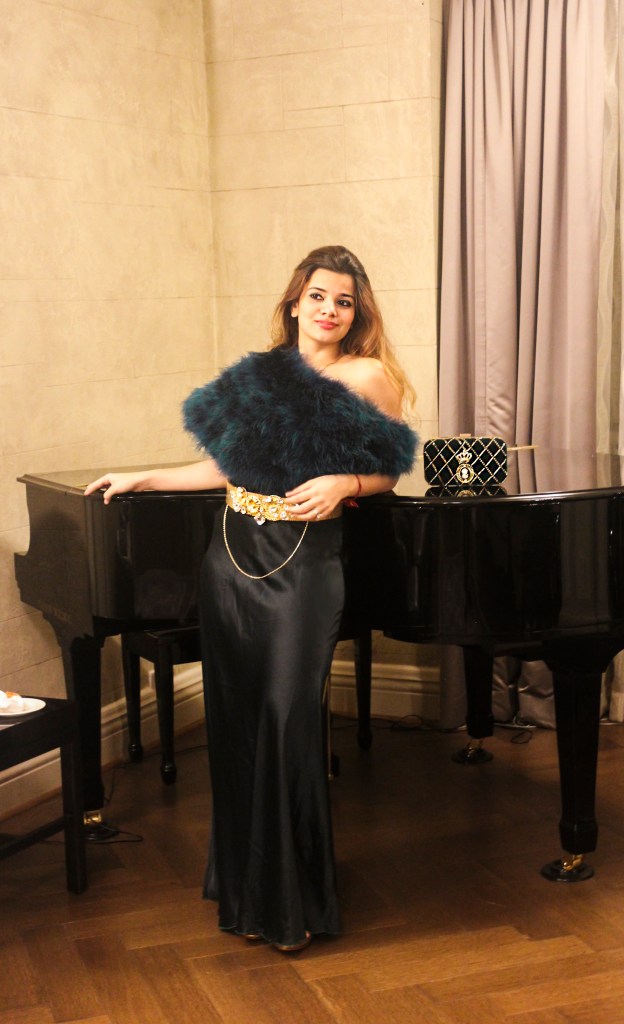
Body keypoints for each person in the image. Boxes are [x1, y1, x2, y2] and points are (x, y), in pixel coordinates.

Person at [85, 245, 418, 952]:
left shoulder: (367, 376)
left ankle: (293, 902)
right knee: (235, 724)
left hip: (305, 565)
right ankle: (246, 893)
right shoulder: (262, 375)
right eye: (318, 296)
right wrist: (143, 477)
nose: (329, 310)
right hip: (230, 561)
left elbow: (389, 472)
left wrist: (346, 484)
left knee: (287, 721)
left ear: (356, 313)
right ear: (295, 302)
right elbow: (224, 466)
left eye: (344, 301)